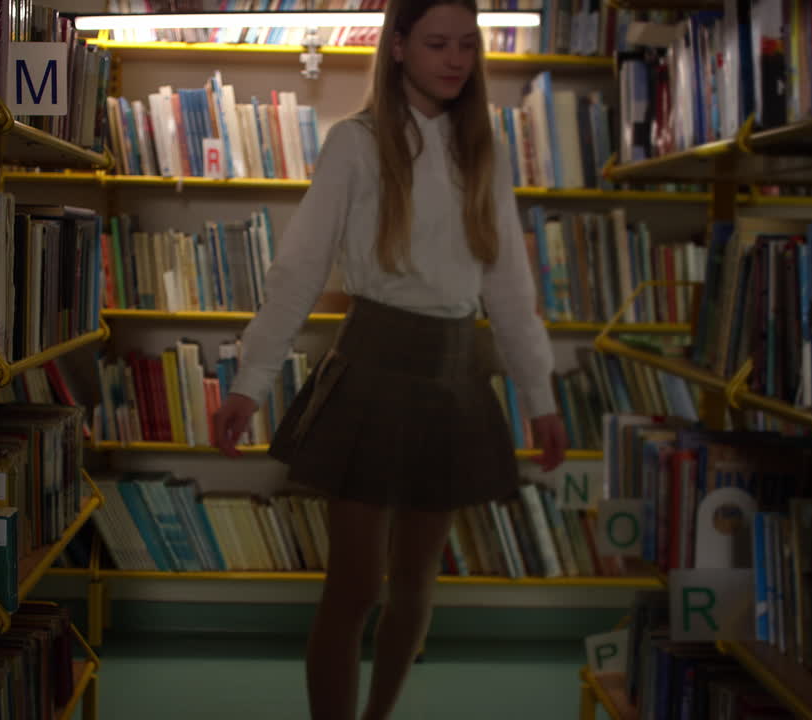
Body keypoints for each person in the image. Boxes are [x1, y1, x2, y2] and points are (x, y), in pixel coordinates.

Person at [210, 0, 569, 716]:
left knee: (415, 584)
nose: (455, 59)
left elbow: (508, 286)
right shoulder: (355, 142)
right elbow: (300, 268)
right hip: (371, 367)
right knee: (354, 587)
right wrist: (251, 381)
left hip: (453, 376)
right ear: (398, 46)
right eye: (437, 43)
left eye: (467, 44)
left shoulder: (482, 148)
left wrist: (542, 399)